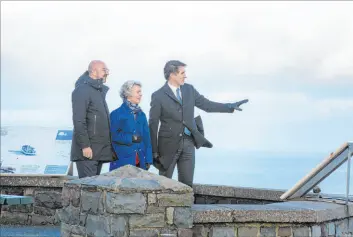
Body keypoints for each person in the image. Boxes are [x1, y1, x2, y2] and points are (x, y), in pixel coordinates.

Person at [149, 60, 249, 187]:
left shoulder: (189, 89)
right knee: (162, 183)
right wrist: (153, 151)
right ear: (172, 75)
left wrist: (230, 106)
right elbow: (153, 124)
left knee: (187, 184)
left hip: (189, 142)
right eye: (182, 73)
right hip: (167, 145)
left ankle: (184, 207)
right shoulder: (158, 95)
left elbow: (207, 105)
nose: (185, 76)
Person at [70, 60, 115, 178]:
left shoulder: (98, 91)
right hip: (88, 151)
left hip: (98, 150)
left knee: (93, 189)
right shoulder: (82, 90)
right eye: (104, 70)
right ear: (94, 71)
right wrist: (85, 146)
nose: (107, 73)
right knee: (87, 189)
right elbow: (79, 120)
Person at [109, 80, 152, 171]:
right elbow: (113, 135)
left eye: (140, 92)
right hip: (122, 161)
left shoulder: (142, 115)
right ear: (128, 94)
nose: (141, 94)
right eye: (138, 92)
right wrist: (132, 138)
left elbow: (146, 138)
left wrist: (148, 159)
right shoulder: (116, 114)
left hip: (140, 161)